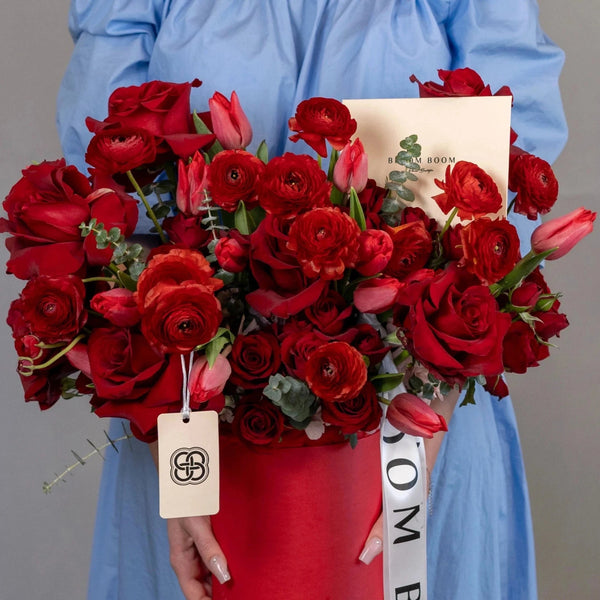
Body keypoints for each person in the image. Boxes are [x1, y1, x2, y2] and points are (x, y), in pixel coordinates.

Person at [57, 1, 567, 599]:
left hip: (423, 421)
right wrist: (182, 464)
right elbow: (109, 203)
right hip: (190, 424)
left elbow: (504, 176)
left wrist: (429, 408)